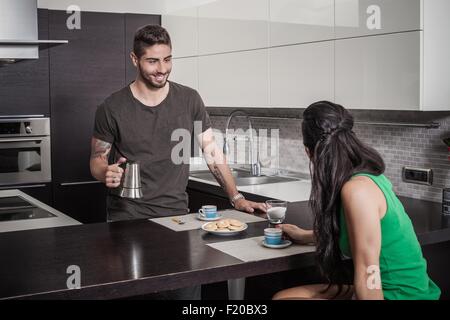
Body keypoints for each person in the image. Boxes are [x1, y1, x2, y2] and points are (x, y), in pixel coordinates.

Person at [89, 25, 266, 299]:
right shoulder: (112, 107)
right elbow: (97, 159)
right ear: (134, 59)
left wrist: (236, 197)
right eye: (152, 61)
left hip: (177, 218)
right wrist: (105, 173)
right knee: (138, 293)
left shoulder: (189, 99)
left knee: (184, 296)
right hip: (128, 219)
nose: (162, 68)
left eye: (167, 59)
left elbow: (212, 152)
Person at [273, 101, 441, 300]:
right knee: (284, 296)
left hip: (398, 295)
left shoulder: (357, 191)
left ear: (308, 152)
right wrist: (305, 235)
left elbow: (369, 273)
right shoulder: (368, 177)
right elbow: (358, 234)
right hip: (386, 289)